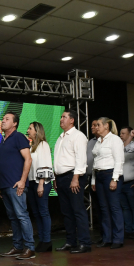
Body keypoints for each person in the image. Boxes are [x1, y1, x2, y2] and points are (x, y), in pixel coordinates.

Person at [53, 109, 92, 254]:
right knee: (66, 212)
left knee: (78, 210)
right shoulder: (60, 137)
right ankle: (71, 242)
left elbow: (81, 159)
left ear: (72, 120)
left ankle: (85, 243)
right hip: (62, 178)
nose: (61, 119)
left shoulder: (78, 136)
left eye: (64, 117)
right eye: (61, 117)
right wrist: (56, 178)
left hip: (73, 176)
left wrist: (75, 178)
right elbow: (58, 161)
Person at [0, 112, 35, 260]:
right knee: (13, 217)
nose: (3, 121)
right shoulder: (3, 141)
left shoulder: (19, 137)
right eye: (3, 119)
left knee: (21, 215)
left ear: (14, 124)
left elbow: (28, 159)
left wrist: (22, 181)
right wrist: (0, 184)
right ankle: (18, 246)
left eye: (7, 119)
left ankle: (30, 248)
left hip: (16, 184)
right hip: (5, 185)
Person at [91, 117, 124, 249]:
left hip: (110, 174)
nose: (96, 127)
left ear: (106, 126)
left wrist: (114, 179)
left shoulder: (115, 139)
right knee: (103, 208)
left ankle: (118, 239)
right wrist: (93, 180)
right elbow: (95, 162)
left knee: (114, 207)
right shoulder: (98, 141)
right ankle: (107, 238)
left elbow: (119, 161)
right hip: (99, 175)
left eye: (98, 125)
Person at [26, 121, 53, 252]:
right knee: (36, 213)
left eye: (30, 128)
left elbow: (45, 164)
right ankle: (42, 239)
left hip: (40, 182)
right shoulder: (31, 146)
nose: (27, 130)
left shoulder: (43, 145)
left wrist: (41, 183)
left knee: (43, 212)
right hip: (31, 182)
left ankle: (47, 240)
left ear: (36, 131)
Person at [118, 126, 134, 239]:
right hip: (120, 182)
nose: (121, 135)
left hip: (132, 182)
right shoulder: (118, 147)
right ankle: (128, 230)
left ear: (130, 134)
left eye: (123, 133)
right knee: (125, 208)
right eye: (120, 133)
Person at [87, 119, 101, 237]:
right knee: (97, 206)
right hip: (92, 176)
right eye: (92, 125)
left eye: (95, 125)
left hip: (103, 176)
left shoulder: (109, 140)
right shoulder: (91, 141)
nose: (92, 127)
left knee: (105, 206)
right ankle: (102, 234)